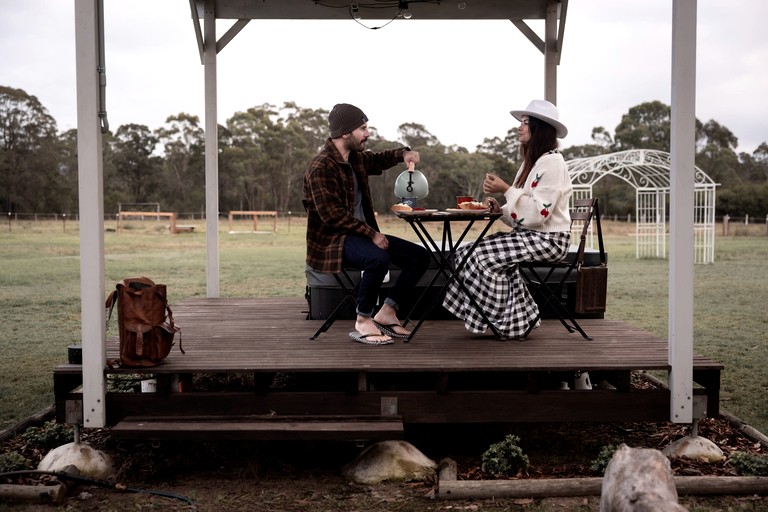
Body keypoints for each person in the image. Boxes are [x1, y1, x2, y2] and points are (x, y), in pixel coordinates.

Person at [442, 99, 573, 340]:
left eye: (525, 122)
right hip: (529, 236)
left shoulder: (552, 163)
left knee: (481, 258)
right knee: (463, 254)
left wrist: (505, 189)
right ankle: (517, 321)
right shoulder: (531, 164)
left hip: (549, 241)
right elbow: (521, 217)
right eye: (521, 122)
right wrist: (499, 210)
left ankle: (502, 322)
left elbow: (537, 214)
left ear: (540, 128)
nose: (519, 127)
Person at [304, 103, 430, 345]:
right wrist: (371, 234)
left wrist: (403, 153)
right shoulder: (321, 166)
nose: (368, 133)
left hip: (362, 237)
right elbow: (332, 215)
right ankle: (363, 320)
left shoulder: (356, 159)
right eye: (363, 128)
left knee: (420, 257)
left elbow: (379, 159)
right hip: (333, 241)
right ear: (345, 132)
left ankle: (387, 312)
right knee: (377, 258)